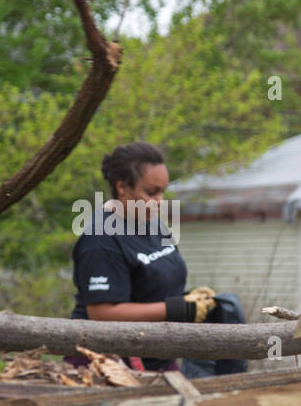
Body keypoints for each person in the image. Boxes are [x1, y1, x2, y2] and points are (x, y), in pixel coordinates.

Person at [69, 141, 247, 377]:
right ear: (122, 187)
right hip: (106, 363)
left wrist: (192, 300)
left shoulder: (152, 222)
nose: (160, 201)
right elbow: (101, 313)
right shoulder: (101, 239)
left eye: (163, 191)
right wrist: (175, 309)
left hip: (156, 354)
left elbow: (155, 283)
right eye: (151, 193)